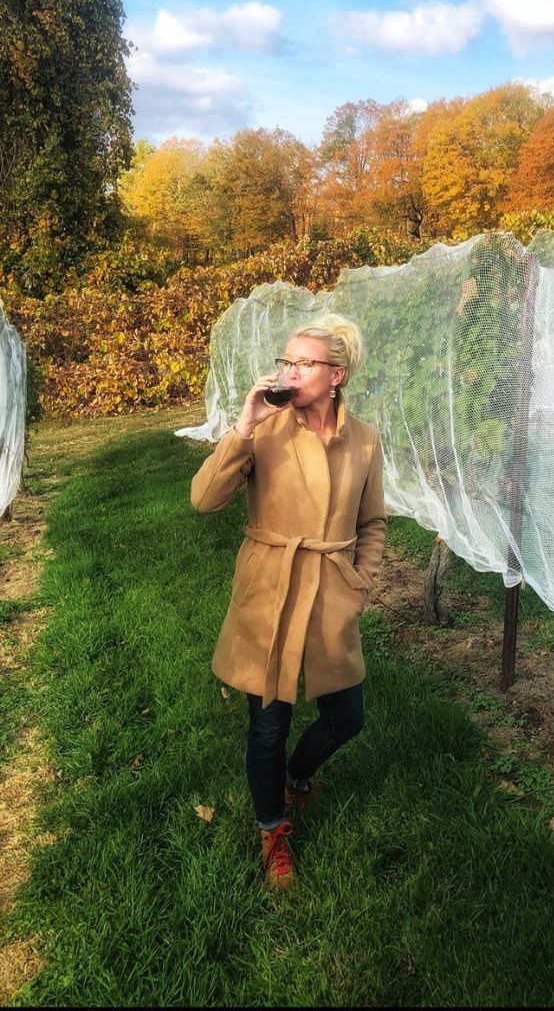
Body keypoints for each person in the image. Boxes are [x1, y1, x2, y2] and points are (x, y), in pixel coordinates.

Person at [190, 313, 386, 890]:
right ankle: (272, 825)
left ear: (336, 375)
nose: (290, 372)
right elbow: (204, 500)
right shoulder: (266, 430)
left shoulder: (365, 440)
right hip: (270, 587)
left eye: (304, 363)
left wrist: (360, 582)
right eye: (286, 362)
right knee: (268, 723)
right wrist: (244, 426)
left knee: (346, 717)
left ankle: (299, 778)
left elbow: (372, 521)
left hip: (331, 590)